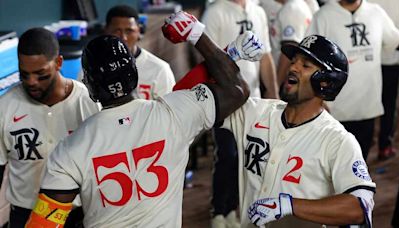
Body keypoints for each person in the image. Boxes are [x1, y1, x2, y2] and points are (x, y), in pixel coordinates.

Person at [24, 11, 265, 227]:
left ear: (89, 85)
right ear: (135, 73)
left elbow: (43, 224)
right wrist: (199, 36)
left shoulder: (70, 150)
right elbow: (236, 90)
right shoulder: (174, 113)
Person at [174, 35, 376, 227]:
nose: (293, 67)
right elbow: (183, 97)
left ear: (325, 82)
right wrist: (229, 53)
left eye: (305, 65)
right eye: (294, 61)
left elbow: (361, 206)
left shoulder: (337, 140)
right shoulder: (255, 112)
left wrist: (289, 205)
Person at [0, 28, 100, 227]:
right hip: (25, 214)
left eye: (41, 74)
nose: (32, 82)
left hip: (78, 214)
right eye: (24, 74)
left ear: (58, 63)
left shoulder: (87, 101)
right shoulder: (5, 106)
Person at [201, 1, 279, 226]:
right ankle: (218, 210)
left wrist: (272, 94)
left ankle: (233, 208)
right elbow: (206, 60)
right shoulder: (215, 12)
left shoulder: (258, 10)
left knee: (247, 157)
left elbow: (265, 57)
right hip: (223, 99)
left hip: (252, 100)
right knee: (227, 155)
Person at [305, 0, 399, 160]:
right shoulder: (324, 15)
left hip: (367, 108)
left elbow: (394, 40)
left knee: (359, 164)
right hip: (333, 110)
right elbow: (308, 57)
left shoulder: (375, 12)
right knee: (330, 165)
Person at [105, 5, 175, 100]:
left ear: (139, 32)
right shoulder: (92, 66)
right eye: (117, 31)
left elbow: (168, 111)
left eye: (129, 31)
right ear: (106, 31)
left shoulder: (159, 69)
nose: (123, 37)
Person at [368, 0, 399, 160]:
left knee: (371, 102)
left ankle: (372, 140)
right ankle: (384, 145)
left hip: (370, 60)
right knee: (388, 104)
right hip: (388, 59)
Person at [266, 0, 313, 87]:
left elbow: (289, 53)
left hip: (286, 80)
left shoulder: (292, 8)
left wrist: (276, 87)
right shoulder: (298, 5)